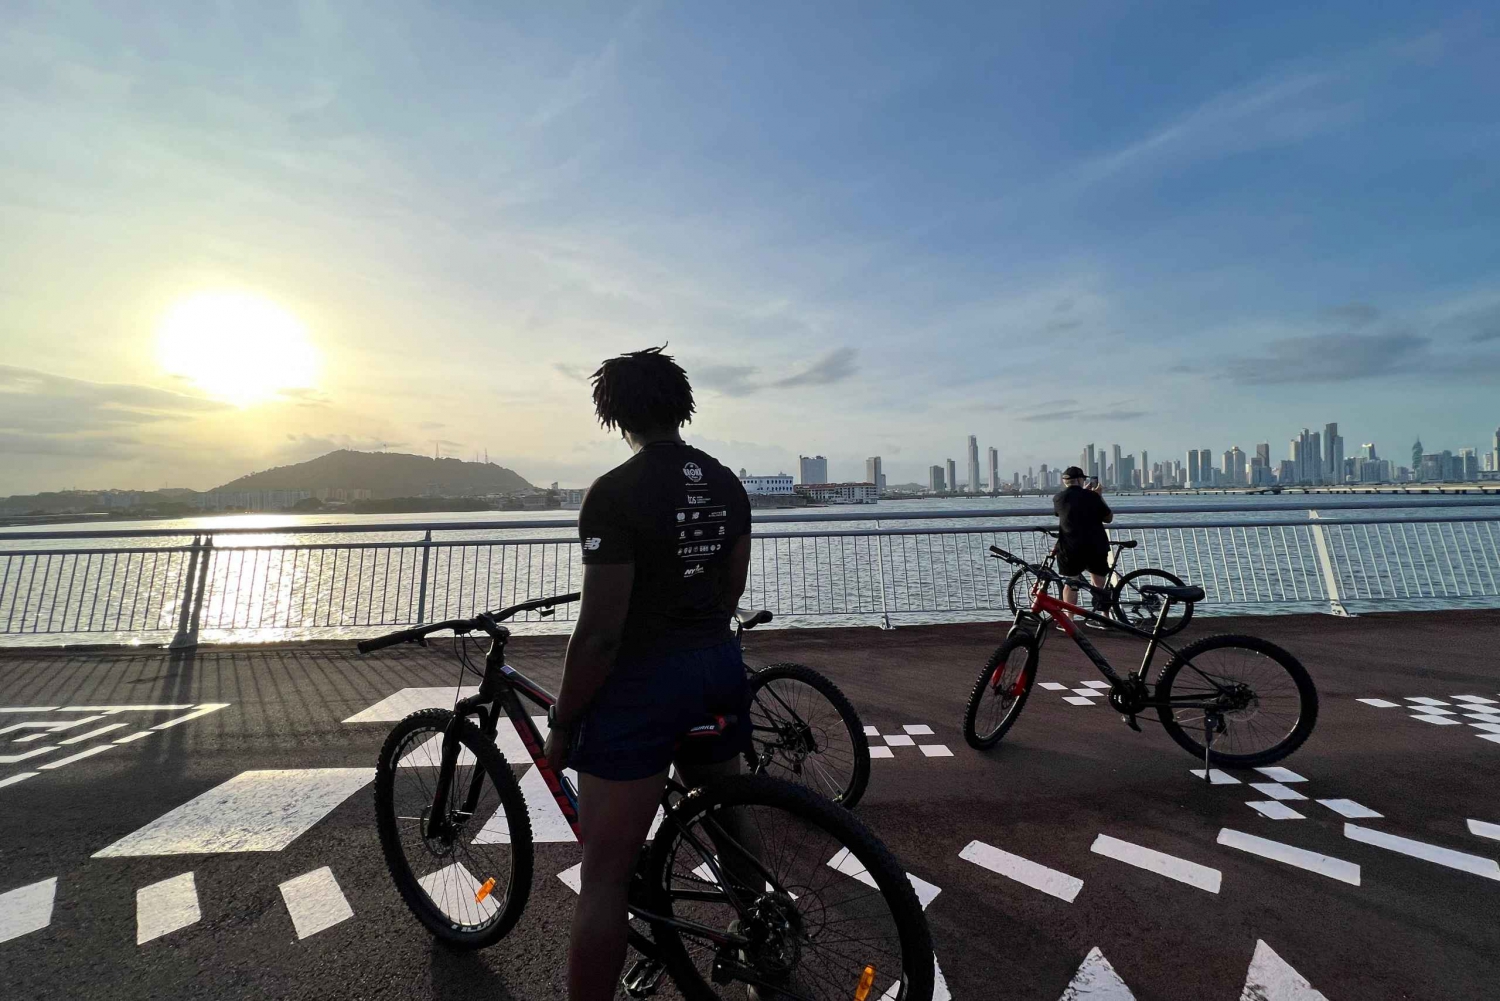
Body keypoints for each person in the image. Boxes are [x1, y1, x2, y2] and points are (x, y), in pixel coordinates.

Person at [543, 346, 753, 1001]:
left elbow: (602, 633)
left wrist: (565, 720)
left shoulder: (613, 495)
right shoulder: (726, 482)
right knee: (728, 825)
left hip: (641, 688)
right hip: (716, 667)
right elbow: (730, 590)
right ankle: (765, 947)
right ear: (681, 402)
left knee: (605, 876)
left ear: (616, 414)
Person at [1053, 465, 1113, 625]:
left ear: (1065, 481)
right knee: (1099, 583)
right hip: (1095, 545)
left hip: (1070, 547)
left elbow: (1065, 512)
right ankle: (1105, 619)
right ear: (1080, 480)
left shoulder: (1058, 498)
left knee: (1071, 583)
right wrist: (1098, 496)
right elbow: (1108, 518)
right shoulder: (1092, 496)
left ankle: (1069, 620)